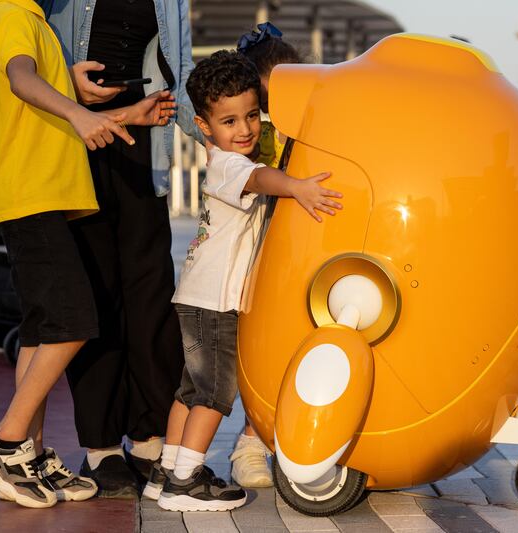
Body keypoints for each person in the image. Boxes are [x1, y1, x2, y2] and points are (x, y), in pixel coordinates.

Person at [0, 0, 174, 508]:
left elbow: (45, 115)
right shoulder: (12, 16)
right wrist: (79, 109)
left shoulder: (37, 24)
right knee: (75, 320)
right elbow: (20, 80)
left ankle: (27, 457)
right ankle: (6, 441)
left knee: (40, 330)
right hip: (32, 196)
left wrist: (125, 113)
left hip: (46, 196)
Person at [145, 50, 342, 512]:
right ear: (205, 126)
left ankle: (168, 468)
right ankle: (187, 480)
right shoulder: (227, 163)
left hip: (195, 297)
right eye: (230, 121)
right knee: (215, 394)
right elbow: (260, 178)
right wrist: (298, 187)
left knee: (189, 390)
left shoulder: (227, 155)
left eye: (252, 115)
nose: (246, 129)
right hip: (215, 303)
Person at [44, 0, 204, 498]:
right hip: (76, 139)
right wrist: (64, 78)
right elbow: (5, 38)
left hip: (143, 138)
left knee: (152, 294)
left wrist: (231, 137)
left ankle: (150, 439)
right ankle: (102, 448)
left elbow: (179, 73)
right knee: (97, 297)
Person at [225, 22, 303, 488]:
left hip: (296, 252)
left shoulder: (314, 124)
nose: (271, 117)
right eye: (264, 106)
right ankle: (251, 442)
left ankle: (271, 439)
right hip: (249, 253)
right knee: (251, 353)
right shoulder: (239, 137)